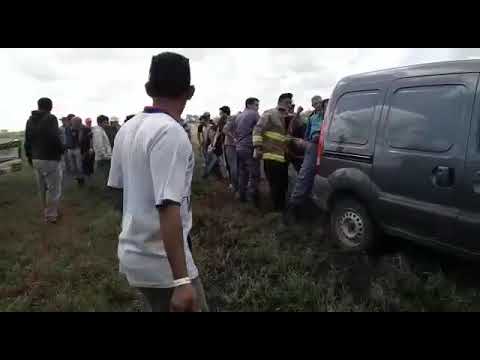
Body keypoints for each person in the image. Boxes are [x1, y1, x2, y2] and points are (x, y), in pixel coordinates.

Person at [107, 52, 208, 312]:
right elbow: (168, 207)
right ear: (191, 91)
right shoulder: (171, 132)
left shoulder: (127, 129)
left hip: (133, 255)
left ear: (148, 89)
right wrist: (183, 281)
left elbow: (116, 193)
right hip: (164, 265)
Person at [284, 96, 326, 224]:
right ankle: (294, 207)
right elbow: (306, 135)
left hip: (327, 146)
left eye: (319, 103)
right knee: (304, 176)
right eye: (315, 103)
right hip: (313, 147)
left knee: (324, 177)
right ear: (313, 105)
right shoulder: (311, 118)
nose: (317, 105)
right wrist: (308, 143)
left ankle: (320, 207)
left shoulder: (330, 116)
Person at [253, 93, 298, 212]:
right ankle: (275, 211)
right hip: (271, 156)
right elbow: (257, 130)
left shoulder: (290, 117)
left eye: (291, 102)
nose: (290, 104)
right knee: (275, 185)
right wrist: (257, 148)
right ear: (281, 102)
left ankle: (281, 208)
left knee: (284, 185)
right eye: (288, 102)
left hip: (284, 158)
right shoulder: (270, 113)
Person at [24, 98, 64, 224]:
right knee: (54, 189)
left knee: (42, 188)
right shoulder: (51, 118)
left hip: (36, 158)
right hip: (50, 158)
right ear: (50, 107)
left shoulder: (30, 120)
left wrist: (30, 157)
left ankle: (46, 212)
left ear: (38, 106)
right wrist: (62, 149)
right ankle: (51, 216)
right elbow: (54, 137)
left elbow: (27, 141)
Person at [234, 97, 261, 204]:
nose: (258, 107)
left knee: (242, 173)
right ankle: (252, 200)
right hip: (249, 147)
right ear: (249, 105)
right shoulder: (254, 114)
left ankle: (242, 197)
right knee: (254, 174)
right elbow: (261, 126)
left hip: (239, 147)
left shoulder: (238, 116)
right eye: (256, 105)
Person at [92, 115, 112, 187]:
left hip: (103, 156)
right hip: (103, 157)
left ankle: (103, 188)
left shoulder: (100, 130)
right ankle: (104, 189)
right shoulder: (98, 131)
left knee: (103, 173)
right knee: (104, 174)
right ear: (100, 123)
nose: (107, 124)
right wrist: (104, 155)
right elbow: (99, 144)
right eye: (106, 122)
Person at [221, 106, 238, 192]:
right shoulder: (238, 117)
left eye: (221, 113)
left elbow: (225, 130)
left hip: (230, 145)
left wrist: (233, 137)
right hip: (238, 145)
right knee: (237, 166)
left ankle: (234, 186)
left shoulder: (232, 118)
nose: (220, 115)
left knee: (232, 166)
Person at [66, 116, 86, 186]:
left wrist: (79, 130)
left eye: (74, 122)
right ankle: (78, 178)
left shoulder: (81, 128)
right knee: (73, 166)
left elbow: (80, 140)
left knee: (79, 165)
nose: (73, 123)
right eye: (72, 121)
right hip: (70, 148)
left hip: (77, 149)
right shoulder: (68, 128)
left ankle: (81, 179)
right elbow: (67, 138)